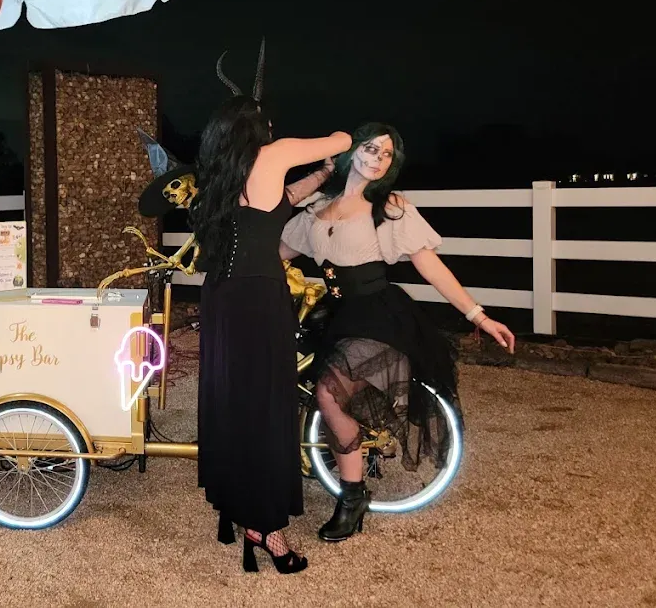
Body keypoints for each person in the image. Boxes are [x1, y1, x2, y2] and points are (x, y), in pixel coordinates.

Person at [279, 122, 516, 543]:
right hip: (336, 314)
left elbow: (431, 266)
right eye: (371, 148)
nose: (378, 158)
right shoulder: (319, 208)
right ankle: (316, 464)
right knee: (304, 386)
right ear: (353, 150)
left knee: (329, 393)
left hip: (378, 314)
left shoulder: (388, 207)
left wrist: (478, 316)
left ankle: (352, 497)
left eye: (386, 153)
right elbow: (274, 253)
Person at [189, 42, 352, 574]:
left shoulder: (222, 172)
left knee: (233, 402)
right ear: (256, 125)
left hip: (221, 296)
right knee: (264, 408)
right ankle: (264, 528)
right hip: (258, 297)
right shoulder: (273, 153)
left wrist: (320, 178)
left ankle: (234, 507)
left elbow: (274, 205)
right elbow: (341, 138)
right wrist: (347, 144)